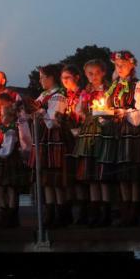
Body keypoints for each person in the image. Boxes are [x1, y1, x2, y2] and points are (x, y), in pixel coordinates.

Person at [96, 50, 140, 226]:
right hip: (114, 132)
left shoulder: (138, 85)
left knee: (131, 175)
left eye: (123, 65)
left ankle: (134, 212)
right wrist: (104, 115)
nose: (119, 68)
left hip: (130, 131)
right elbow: (106, 106)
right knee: (120, 175)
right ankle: (124, 210)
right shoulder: (113, 85)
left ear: (131, 65)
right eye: (117, 65)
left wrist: (124, 112)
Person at [28, 64, 69, 228]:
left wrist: (40, 113)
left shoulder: (58, 96)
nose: (40, 81)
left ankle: (61, 214)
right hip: (43, 138)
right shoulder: (44, 95)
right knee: (46, 179)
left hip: (53, 138)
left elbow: (53, 121)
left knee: (55, 179)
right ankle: (49, 212)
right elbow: (34, 112)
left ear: (51, 78)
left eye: (43, 77)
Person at [74, 59, 110, 226]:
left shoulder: (108, 90)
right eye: (90, 74)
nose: (93, 76)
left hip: (103, 129)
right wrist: (81, 113)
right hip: (88, 130)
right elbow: (79, 110)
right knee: (91, 175)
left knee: (102, 174)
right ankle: (94, 211)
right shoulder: (85, 92)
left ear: (103, 73)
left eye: (96, 73)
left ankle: (106, 211)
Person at [0, 100, 25, 228]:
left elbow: (6, 151)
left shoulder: (11, 130)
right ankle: (3, 217)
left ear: (10, 116)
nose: (0, 117)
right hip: (1, 161)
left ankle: (12, 218)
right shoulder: (1, 128)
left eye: (3, 115)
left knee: (11, 189)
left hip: (8, 161)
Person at [60, 64, 86, 224]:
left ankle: (84, 211)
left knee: (81, 175)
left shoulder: (83, 94)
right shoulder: (65, 96)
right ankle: (68, 212)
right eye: (62, 78)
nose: (64, 81)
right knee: (69, 175)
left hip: (79, 135)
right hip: (67, 137)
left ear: (76, 77)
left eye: (67, 77)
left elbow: (82, 114)